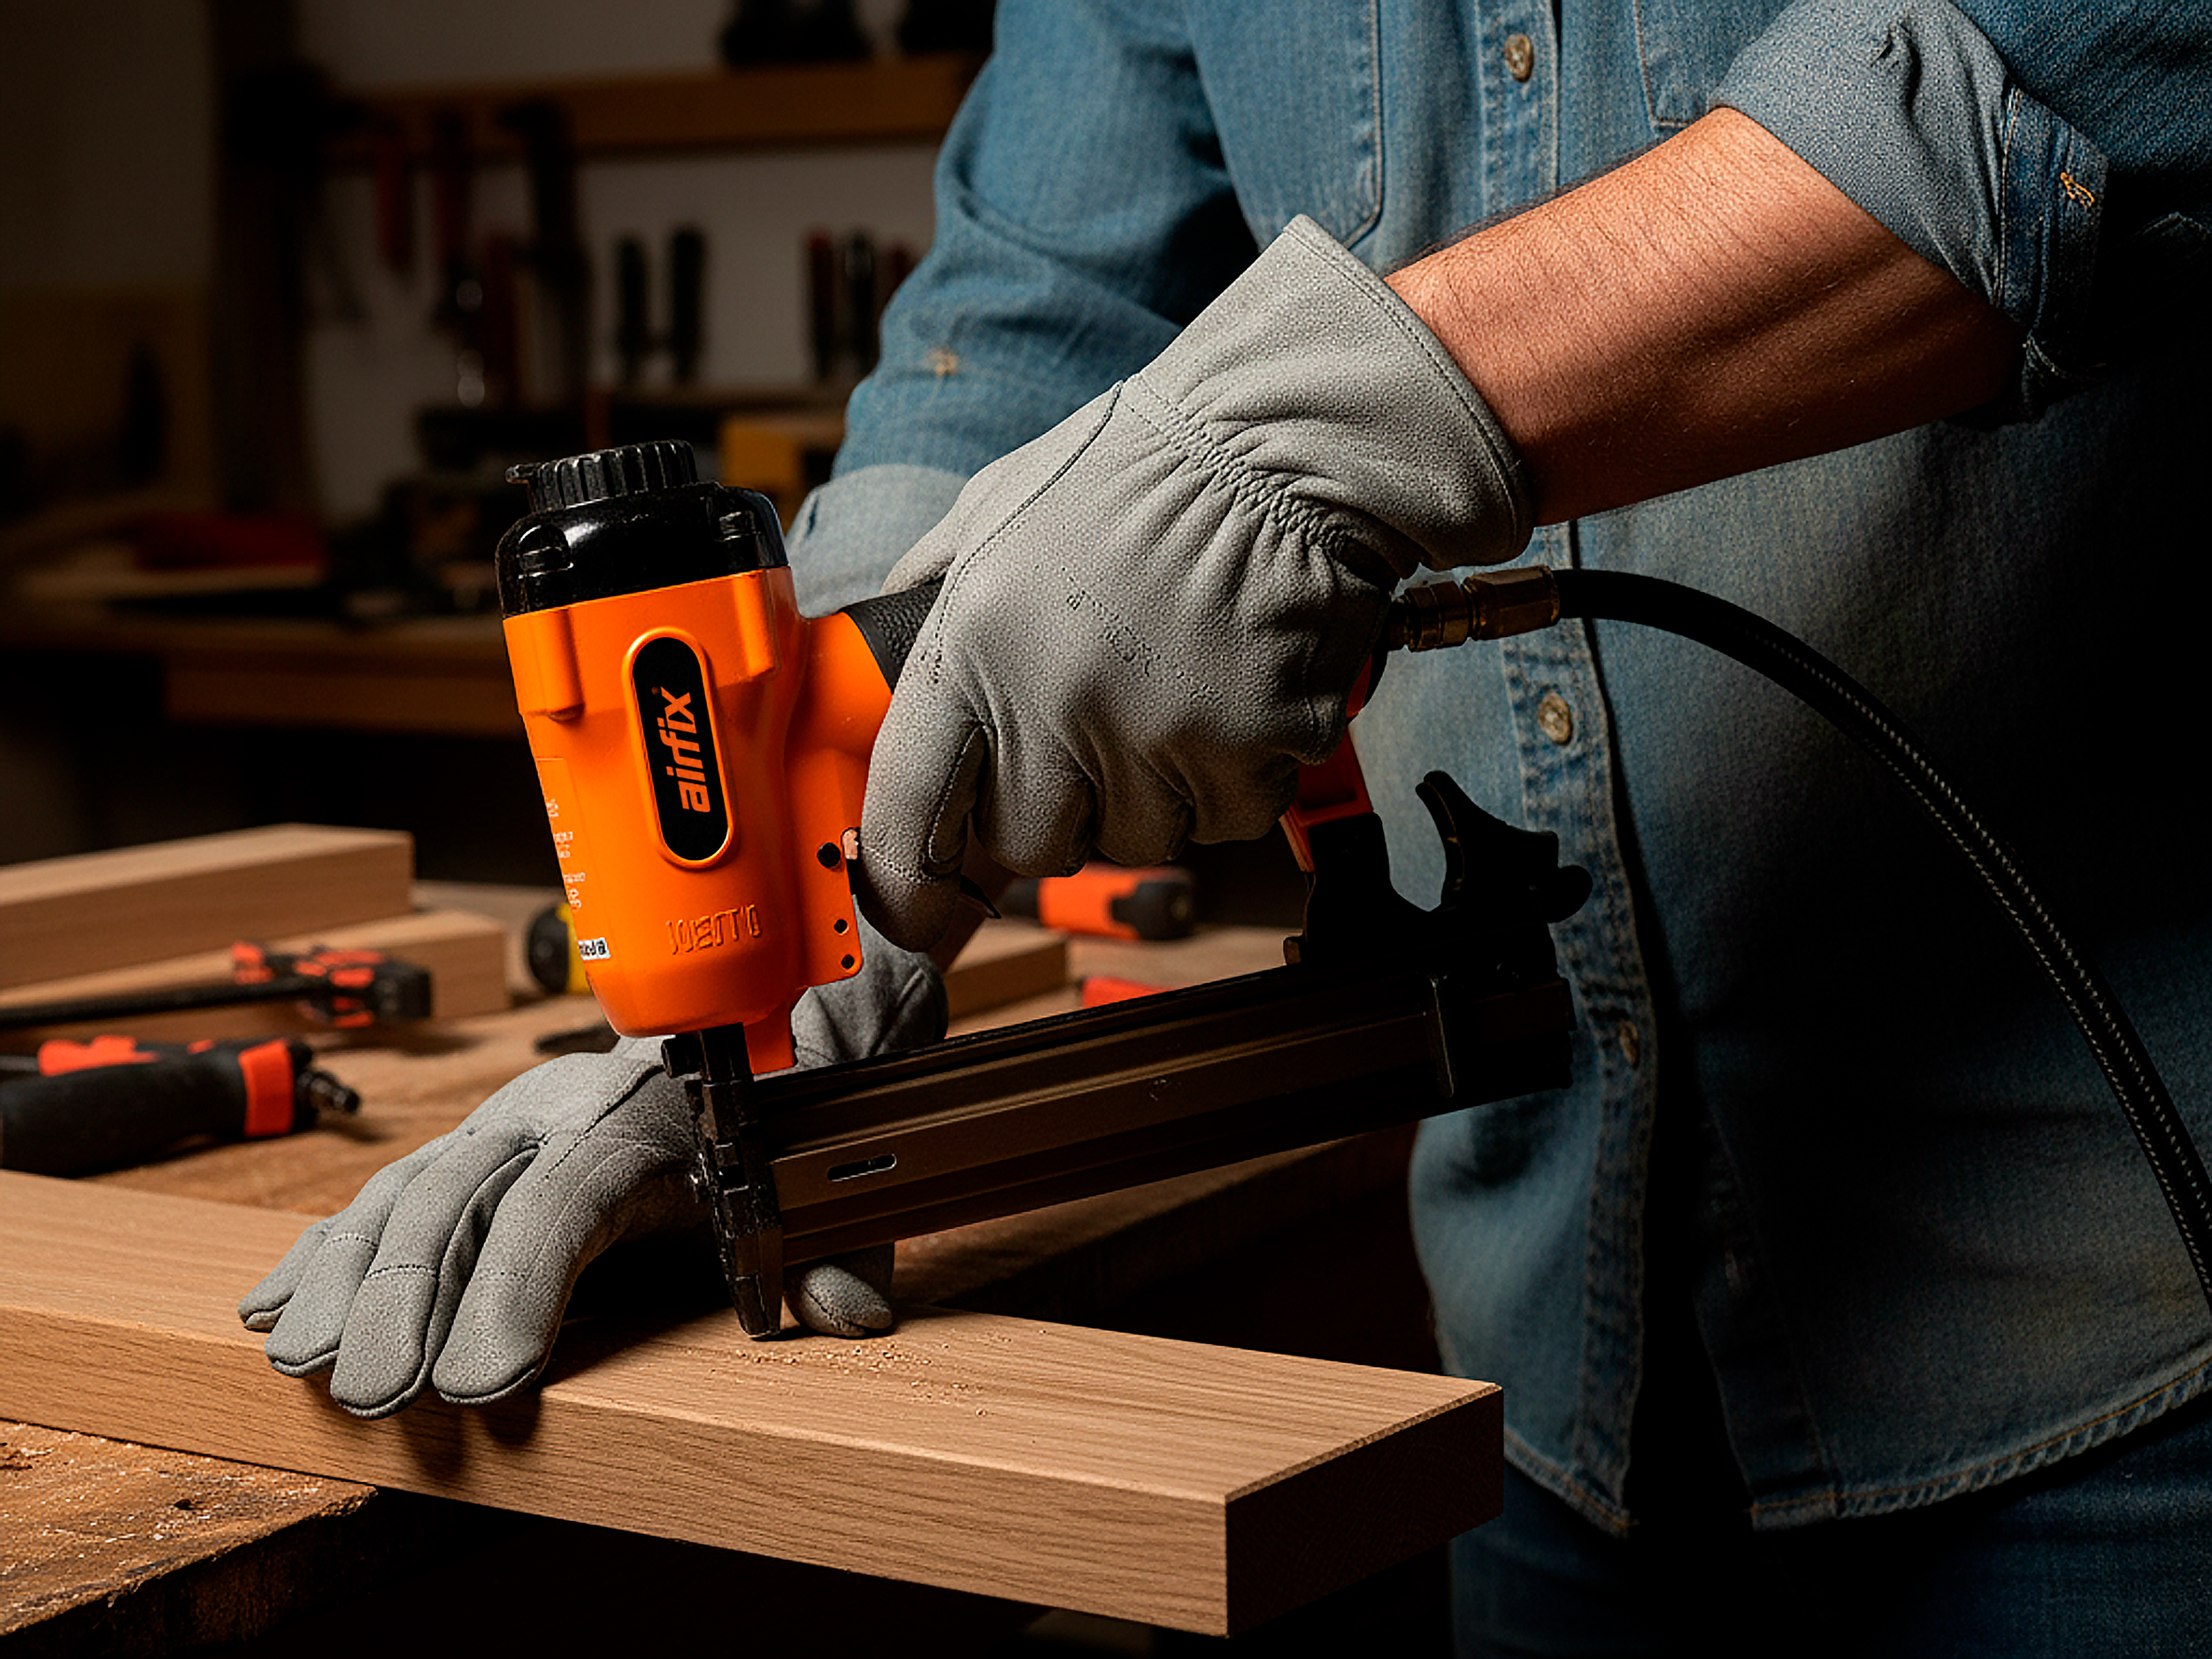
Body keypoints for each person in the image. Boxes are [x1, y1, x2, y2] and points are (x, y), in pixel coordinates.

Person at [245, 1, 2212, 1649]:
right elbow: (1029, 308)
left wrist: (1325, 424)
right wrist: (787, 939)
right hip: (1541, 1361)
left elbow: (2086, 68)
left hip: (2113, 1338)